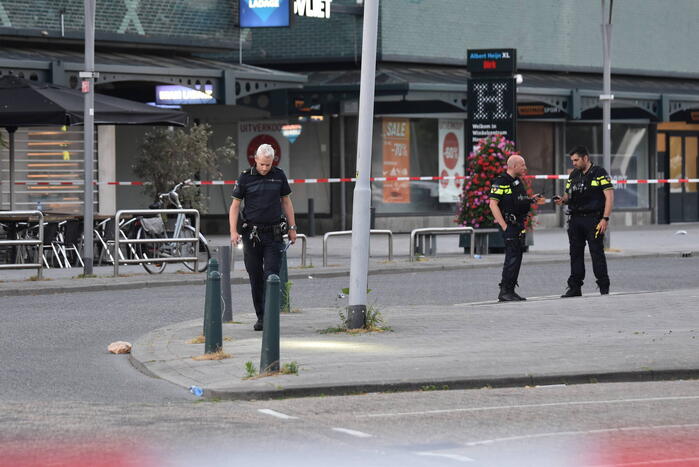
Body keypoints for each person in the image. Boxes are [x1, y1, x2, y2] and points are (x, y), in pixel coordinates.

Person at [229, 144, 297, 331]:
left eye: (268, 165)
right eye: (261, 164)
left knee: (272, 276)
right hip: (251, 234)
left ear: (272, 161)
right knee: (255, 277)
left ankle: (271, 316)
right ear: (255, 160)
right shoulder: (245, 177)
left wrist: (292, 227)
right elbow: (235, 206)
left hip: (274, 234)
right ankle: (261, 316)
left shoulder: (279, 175)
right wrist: (233, 232)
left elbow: (286, 201)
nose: (265, 168)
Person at [554, 146, 614, 297]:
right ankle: (575, 288)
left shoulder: (599, 173)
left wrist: (605, 219)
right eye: (572, 160)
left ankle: (603, 287)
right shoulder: (574, 174)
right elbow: (568, 196)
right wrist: (562, 200)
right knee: (575, 254)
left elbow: (609, 197)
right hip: (575, 219)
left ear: (585, 158)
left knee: (597, 253)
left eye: (576, 160)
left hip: (594, 219)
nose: (573, 163)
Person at [489, 154, 543, 302]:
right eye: (522, 165)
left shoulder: (517, 182)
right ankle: (505, 291)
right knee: (511, 258)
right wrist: (504, 225)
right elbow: (493, 204)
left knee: (517, 258)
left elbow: (519, 201)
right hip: (510, 225)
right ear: (513, 166)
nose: (525, 168)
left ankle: (510, 290)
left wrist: (531, 200)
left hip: (519, 224)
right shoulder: (501, 182)